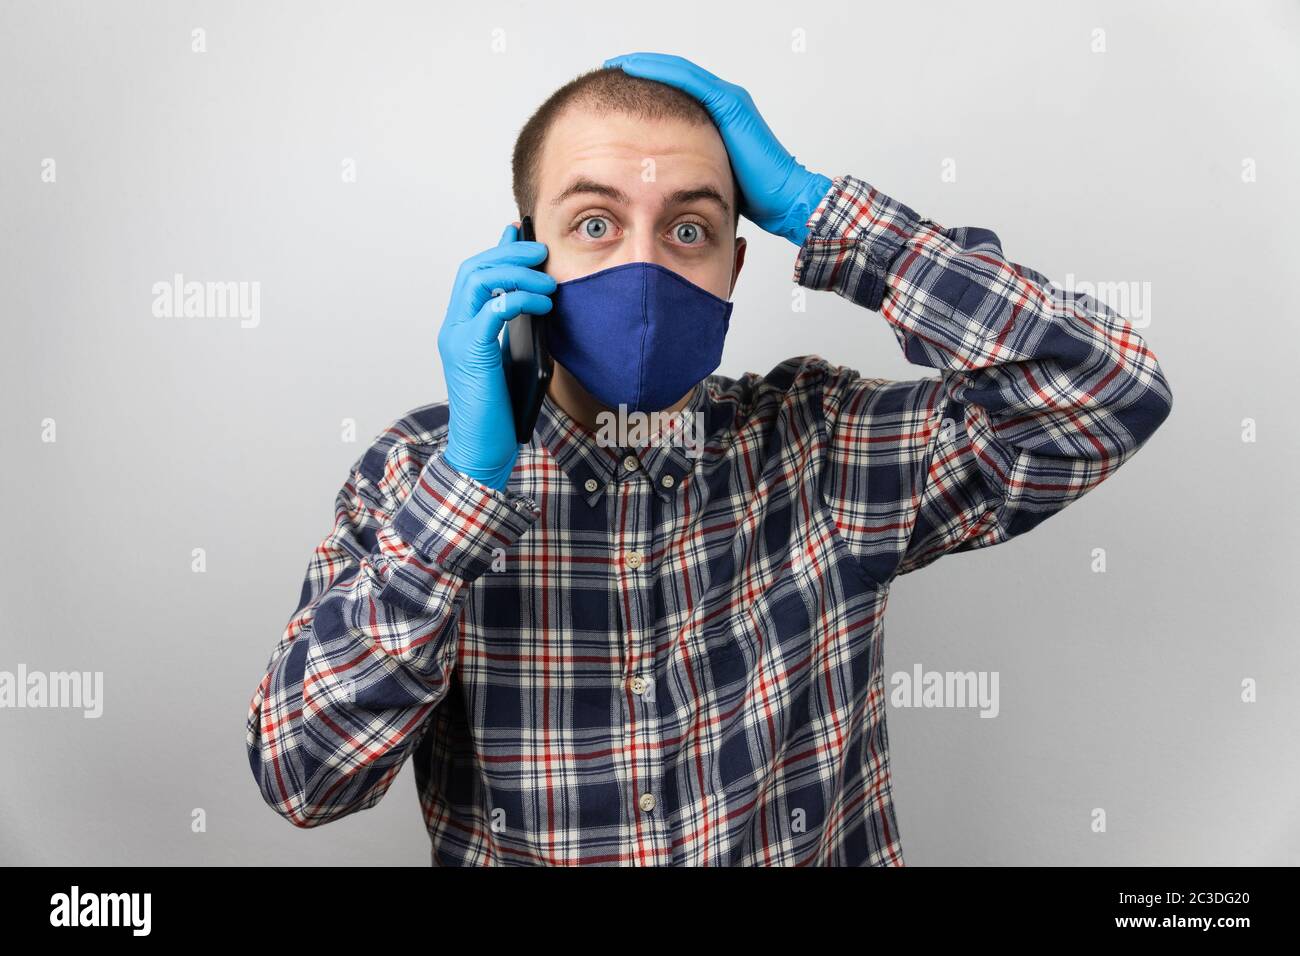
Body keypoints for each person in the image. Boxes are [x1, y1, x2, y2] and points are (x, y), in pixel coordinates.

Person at [245, 52, 1173, 866]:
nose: (642, 269)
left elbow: (1108, 392)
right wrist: (467, 490)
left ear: (734, 269)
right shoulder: (415, 475)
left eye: (687, 229)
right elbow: (303, 778)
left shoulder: (823, 442)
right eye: (595, 225)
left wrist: (823, 214)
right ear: (526, 262)